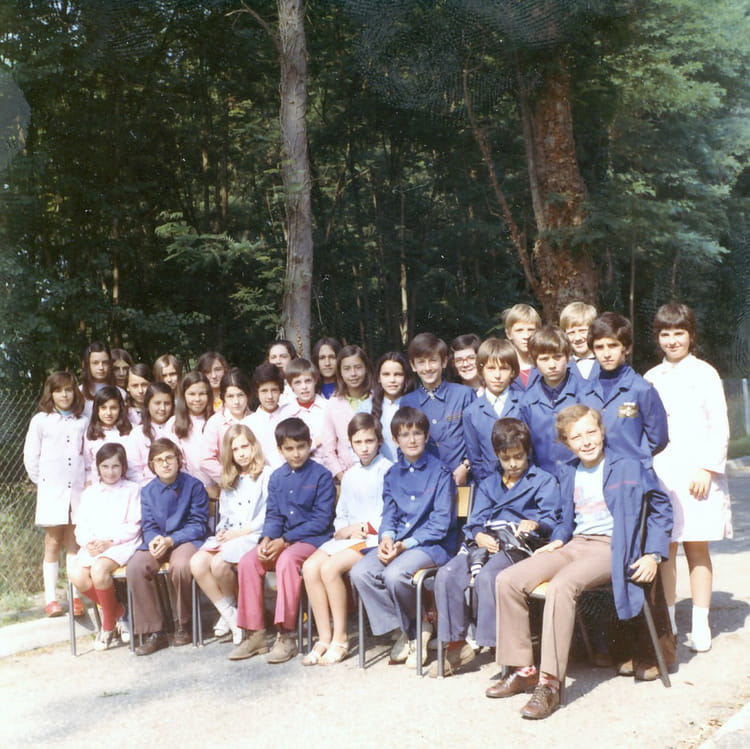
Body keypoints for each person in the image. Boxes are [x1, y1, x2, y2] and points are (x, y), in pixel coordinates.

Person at [488, 405, 673, 719]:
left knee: (562, 585)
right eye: (576, 437)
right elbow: (566, 518)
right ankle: (523, 670)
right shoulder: (569, 471)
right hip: (575, 545)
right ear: (566, 442)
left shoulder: (629, 465)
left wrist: (653, 554)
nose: (586, 441)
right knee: (508, 580)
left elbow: (661, 508)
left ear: (602, 432)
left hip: (611, 548)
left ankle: (549, 684)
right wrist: (558, 540)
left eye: (591, 432)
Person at [431, 419, 559, 677]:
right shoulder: (489, 483)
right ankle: (456, 643)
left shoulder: (542, 480)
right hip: (486, 542)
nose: (513, 464)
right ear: (497, 456)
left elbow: (551, 519)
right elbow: (475, 520)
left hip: (518, 545)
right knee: (447, 574)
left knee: (490, 577)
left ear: (527, 452)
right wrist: (479, 535)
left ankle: (492, 644)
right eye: (506, 458)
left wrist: (535, 523)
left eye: (518, 457)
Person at [645, 302, 732, 652]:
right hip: (663, 474)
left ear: (691, 335)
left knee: (696, 547)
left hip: (697, 476)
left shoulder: (705, 373)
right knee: (664, 549)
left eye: (678, 333)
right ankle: (668, 622)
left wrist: (707, 468)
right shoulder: (651, 377)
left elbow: (719, 425)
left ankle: (700, 622)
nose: (672, 340)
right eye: (665, 334)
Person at [350, 406, 457, 668]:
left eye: (417, 433)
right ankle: (409, 629)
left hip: (431, 545)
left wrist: (405, 545)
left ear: (426, 436)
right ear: (395, 440)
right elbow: (389, 514)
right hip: (399, 543)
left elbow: (441, 523)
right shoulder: (392, 474)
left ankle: (416, 630)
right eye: (405, 435)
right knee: (360, 572)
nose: (412, 440)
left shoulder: (440, 472)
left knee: (394, 575)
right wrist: (386, 538)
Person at [229, 418, 335, 664]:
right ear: (280, 450)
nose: (296, 453)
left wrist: (284, 540)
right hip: (282, 539)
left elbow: (321, 520)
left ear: (309, 445)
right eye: (289, 448)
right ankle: (255, 633)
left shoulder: (321, 476)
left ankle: (287, 634)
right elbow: (274, 514)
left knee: (287, 561)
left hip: (313, 540)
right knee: (248, 561)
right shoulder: (277, 477)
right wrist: (267, 539)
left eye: (301, 447)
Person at [301, 413, 392, 665]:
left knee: (330, 568)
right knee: (310, 567)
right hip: (349, 537)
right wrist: (343, 529)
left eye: (369, 441)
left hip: (373, 538)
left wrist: (362, 527)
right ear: (350, 444)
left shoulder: (388, 470)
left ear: (379, 441)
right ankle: (324, 636)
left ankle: (341, 638)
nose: (364, 448)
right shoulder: (350, 475)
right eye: (358, 442)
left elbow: (390, 514)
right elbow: (341, 514)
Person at [126, 438, 209, 655]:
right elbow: (148, 524)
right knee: (136, 567)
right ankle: (155, 631)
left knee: (181, 565)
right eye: (159, 460)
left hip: (186, 539)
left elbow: (198, 524)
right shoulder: (148, 491)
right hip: (159, 540)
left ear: (178, 460)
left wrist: (171, 540)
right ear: (151, 465)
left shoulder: (194, 486)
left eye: (169, 458)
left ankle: (184, 623)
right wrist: (154, 539)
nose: (165, 464)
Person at [190, 424, 270, 644]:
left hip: (252, 534)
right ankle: (230, 615)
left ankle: (236, 614)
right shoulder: (230, 479)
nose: (241, 453)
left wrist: (239, 532)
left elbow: (268, 515)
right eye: (235, 449)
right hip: (232, 534)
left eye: (245, 447)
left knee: (218, 564)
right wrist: (222, 530)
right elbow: (224, 515)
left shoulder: (266, 475)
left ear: (254, 446)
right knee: (197, 563)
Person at [23, 372, 88, 617]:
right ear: (50, 393)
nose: (64, 395)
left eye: (69, 389)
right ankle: (51, 599)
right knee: (52, 542)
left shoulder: (82, 421)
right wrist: (44, 483)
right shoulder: (41, 421)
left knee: (74, 542)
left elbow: (87, 454)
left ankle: (75, 596)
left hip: (78, 490)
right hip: (52, 490)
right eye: (59, 390)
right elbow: (31, 456)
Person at [68, 443, 141, 650]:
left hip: (121, 543)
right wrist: (88, 542)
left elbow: (134, 525)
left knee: (99, 570)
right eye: (105, 466)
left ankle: (107, 626)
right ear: (98, 467)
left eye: (115, 466)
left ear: (123, 467)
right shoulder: (90, 493)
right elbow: (81, 526)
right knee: (76, 574)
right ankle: (118, 611)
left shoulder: (131, 489)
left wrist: (109, 542)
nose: (110, 472)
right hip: (95, 545)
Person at [581, 312, 668, 468]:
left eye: (613, 345)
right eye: (599, 347)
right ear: (593, 351)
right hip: (596, 472)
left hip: (632, 473)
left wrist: (635, 458)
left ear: (626, 348)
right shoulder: (585, 392)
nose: (606, 354)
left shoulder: (642, 389)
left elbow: (658, 439)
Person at [400, 332, 475, 486]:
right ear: (413, 366)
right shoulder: (407, 401)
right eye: (421, 362)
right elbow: (404, 445)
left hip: (462, 479)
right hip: (425, 482)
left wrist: (466, 466)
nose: (428, 368)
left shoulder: (464, 394)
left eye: (433, 360)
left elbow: (476, 438)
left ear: (444, 361)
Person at [519, 325, 582, 474]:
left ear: (568, 356)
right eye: (544, 359)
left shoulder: (585, 392)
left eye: (557, 357)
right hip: (543, 479)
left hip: (580, 476)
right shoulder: (527, 401)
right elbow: (527, 449)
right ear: (534, 361)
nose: (552, 365)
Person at [463, 337, 522, 482]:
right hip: (489, 483)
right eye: (491, 368)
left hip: (523, 482)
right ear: (481, 371)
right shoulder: (471, 412)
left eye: (504, 368)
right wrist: (487, 485)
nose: (497, 375)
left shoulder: (524, 402)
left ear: (513, 372)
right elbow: (475, 458)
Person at [319, 344, 373, 480]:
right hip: (347, 473)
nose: (353, 374)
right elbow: (328, 447)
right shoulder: (333, 404)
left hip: (376, 471)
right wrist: (341, 476)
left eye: (358, 367)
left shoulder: (377, 400)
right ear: (340, 372)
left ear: (366, 368)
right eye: (347, 369)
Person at [200, 368, 253, 484]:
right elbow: (206, 460)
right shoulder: (215, 423)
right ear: (223, 397)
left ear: (248, 395)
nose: (236, 401)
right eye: (230, 396)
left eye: (240, 395)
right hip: (231, 484)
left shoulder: (256, 418)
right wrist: (230, 477)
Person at [168, 371, 216, 495]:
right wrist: (200, 489)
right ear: (183, 395)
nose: (197, 399)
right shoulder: (174, 424)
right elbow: (176, 462)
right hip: (187, 489)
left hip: (218, 487)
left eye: (202, 394)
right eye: (192, 394)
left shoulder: (217, 420)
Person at [370, 351, 415, 462]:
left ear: (406, 377)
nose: (392, 380)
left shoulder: (415, 404)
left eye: (398, 374)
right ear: (378, 378)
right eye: (386, 374)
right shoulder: (366, 407)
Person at [243, 362, 289, 470]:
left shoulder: (290, 416)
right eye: (264, 391)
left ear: (281, 390)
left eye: (274, 390)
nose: (270, 396)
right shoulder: (248, 424)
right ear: (257, 393)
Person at [83, 386, 133, 485]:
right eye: (103, 408)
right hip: (99, 487)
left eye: (113, 408)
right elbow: (87, 466)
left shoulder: (131, 432)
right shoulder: (91, 434)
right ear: (97, 410)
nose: (108, 413)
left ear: (120, 408)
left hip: (126, 486)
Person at [283, 358, 329, 463]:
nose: (304, 387)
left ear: (315, 380)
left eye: (308, 381)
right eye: (297, 383)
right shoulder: (287, 413)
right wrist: (315, 443)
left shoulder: (328, 407)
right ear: (290, 386)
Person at [129, 382, 175, 485]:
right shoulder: (137, 434)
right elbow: (133, 471)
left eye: (167, 403)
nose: (162, 408)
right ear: (147, 404)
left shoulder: (178, 429)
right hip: (148, 488)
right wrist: (154, 488)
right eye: (157, 403)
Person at [503, 304, 541, 389]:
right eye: (519, 330)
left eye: (531, 330)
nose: (526, 336)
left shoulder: (546, 365)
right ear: (509, 334)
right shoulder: (503, 367)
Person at [559, 301, 598, 380]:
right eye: (571, 333)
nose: (577, 338)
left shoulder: (606, 363)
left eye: (582, 331)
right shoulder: (562, 367)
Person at [80, 341, 118, 418]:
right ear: (87, 365)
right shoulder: (78, 393)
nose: (101, 367)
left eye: (105, 363)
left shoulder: (120, 393)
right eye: (95, 363)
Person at [267, 339, 298, 407]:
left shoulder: (301, 385)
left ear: (292, 359)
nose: (278, 361)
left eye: (283, 357)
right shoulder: (262, 388)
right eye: (273, 357)